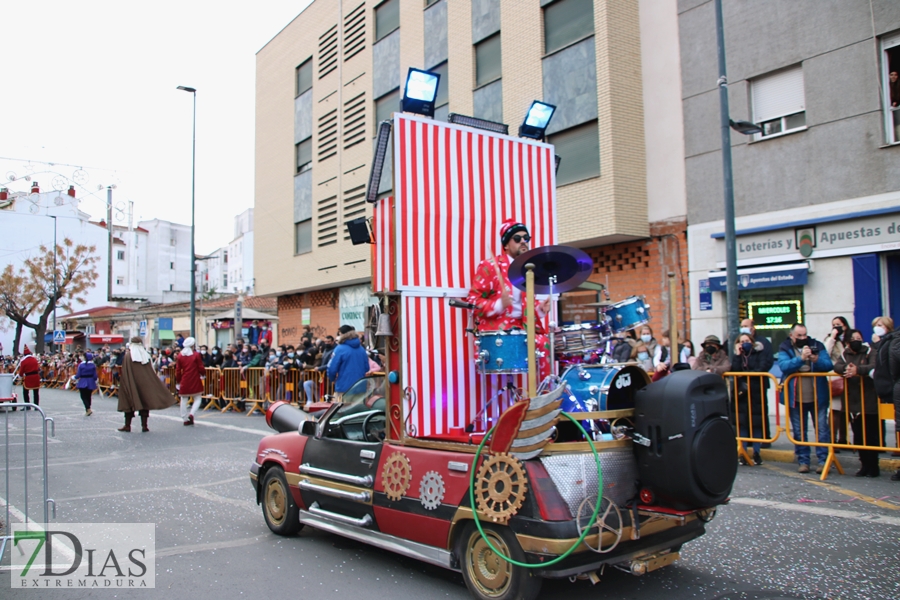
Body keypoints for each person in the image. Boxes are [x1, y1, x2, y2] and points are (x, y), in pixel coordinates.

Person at [465, 220, 551, 377]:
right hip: (496, 331)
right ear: (505, 245)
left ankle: (544, 394)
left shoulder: (528, 270)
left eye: (526, 238)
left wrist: (539, 309)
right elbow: (472, 301)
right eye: (517, 239)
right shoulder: (490, 266)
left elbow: (524, 308)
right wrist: (499, 305)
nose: (523, 241)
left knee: (545, 343)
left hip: (521, 328)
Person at [778, 323, 833, 474]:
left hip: (818, 396)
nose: (803, 338)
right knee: (799, 431)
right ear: (792, 336)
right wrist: (801, 359)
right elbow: (784, 365)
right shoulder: (785, 347)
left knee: (822, 430)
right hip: (795, 398)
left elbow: (828, 364)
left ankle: (823, 461)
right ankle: (803, 461)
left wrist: (816, 359)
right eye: (799, 336)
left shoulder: (817, 345)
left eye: (805, 335)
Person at [834, 329, 881, 477]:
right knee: (858, 435)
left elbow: (874, 366)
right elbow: (836, 366)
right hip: (852, 401)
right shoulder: (845, 354)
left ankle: (874, 466)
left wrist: (858, 370)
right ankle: (864, 465)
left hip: (868, 400)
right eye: (853, 338)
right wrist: (846, 369)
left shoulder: (869, 351)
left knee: (871, 435)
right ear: (847, 342)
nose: (856, 340)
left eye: (858, 338)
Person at [118, 337, 176, 432]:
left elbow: (125, 371)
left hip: (131, 383)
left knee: (129, 403)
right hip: (144, 384)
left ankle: (127, 425)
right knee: (144, 402)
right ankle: (144, 426)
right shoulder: (146, 355)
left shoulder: (128, 356)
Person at [731, 333, 768, 465]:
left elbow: (762, 367)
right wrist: (737, 354)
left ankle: (757, 452)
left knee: (757, 422)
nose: (745, 343)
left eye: (747, 341)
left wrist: (747, 376)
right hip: (741, 392)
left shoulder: (759, 352)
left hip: (756, 391)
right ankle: (743, 452)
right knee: (742, 423)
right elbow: (734, 369)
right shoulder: (738, 355)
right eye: (742, 341)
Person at [825, 316, 852, 447]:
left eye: (839, 324)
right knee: (835, 409)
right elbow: (826, 352)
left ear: (845, 326)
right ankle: (832, 439)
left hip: (850, 378)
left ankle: (843, 438)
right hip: (836, 378)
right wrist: (832, 338)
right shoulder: (831, 340)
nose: (836, 327)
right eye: (833, 324)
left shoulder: (850, 339)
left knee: (846, 410)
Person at [327, 325, 370, 400]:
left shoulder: (340, 349)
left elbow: (332, 368)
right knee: (358, 410)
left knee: (341, 410)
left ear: (343, 335)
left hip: (344, 387)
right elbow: (367, 367)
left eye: (339, 334)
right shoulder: (361, 349)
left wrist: (332, 378)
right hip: (360, 387)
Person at [175, 337, 206, 426]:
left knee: (183, 399)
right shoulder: (196, 354)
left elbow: (178, 370)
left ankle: (184, 418)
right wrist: (203, 374)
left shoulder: (180, 355)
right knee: (197, 398)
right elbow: (200, 367)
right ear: (192, 345)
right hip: (195, 378)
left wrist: (178, 381)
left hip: (185, 378)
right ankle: (191, 414)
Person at [74, 352, 98, 416]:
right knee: (88, 396)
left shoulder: (81, 365)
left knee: (83, 396)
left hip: (83, 381)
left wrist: (74, 377)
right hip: (90, 381)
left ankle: (88, 409)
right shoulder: (93, 365)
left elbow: (78, 375)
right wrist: (95, 381)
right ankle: (88, 408)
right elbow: (95, 376)